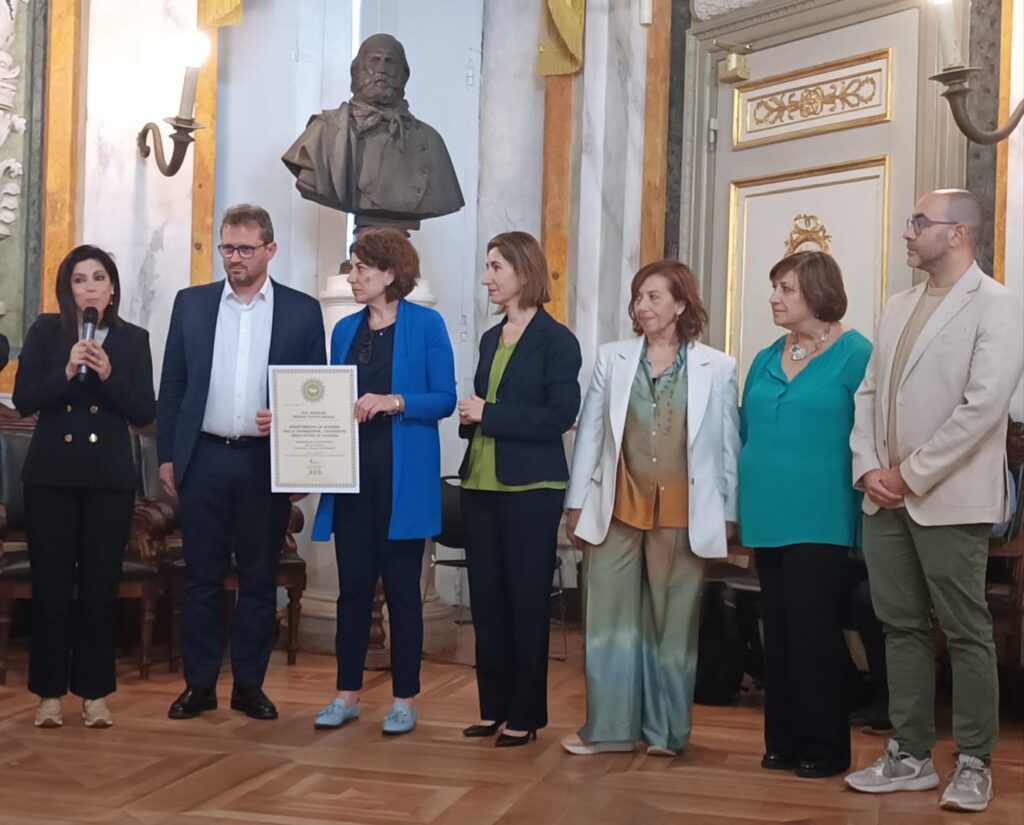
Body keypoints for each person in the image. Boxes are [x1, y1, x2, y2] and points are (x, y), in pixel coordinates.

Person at [845, 190, 1024, 813]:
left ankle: (973, 762)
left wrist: (909, 474)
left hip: (949, 496)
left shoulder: (997, 304)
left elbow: (983, 407)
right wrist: (869, 468)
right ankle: (910, 755)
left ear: (957, 233)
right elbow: (869, 394)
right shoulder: (898, 305)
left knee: (966, 629)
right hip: (884, 496)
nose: (907, 231)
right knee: (899, 626)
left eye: (919, 222)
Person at [561, 260, 739, 757]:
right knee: (608, 621)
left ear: (681, 304)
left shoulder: (718, 367)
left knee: (673, 624)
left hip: (685, 511)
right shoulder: (612, 358)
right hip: (616, 506)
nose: (641, 306)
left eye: (653, 296)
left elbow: (727, 446)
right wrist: (576, 504)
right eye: (638, 297)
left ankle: (666, 733)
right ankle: (610, 730)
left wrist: (729, 511)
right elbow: (590, 434)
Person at [158, 204, 326, 721]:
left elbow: (313, 393)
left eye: (246, 249)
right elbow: (173, 385)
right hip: (204, 457)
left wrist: (302, 461)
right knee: (202, 578)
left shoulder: (301, 311)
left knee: (258, 578)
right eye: (227, 248)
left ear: (270, 250)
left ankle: (249, 686)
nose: (235, 258)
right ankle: (199, 686)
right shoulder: (192, 304)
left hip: (265, 463)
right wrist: (167, 456)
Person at [309, 229, 456, 736]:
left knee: (402, 594)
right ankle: (346, 694)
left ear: (390, 273)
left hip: (402, 481)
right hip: (350, 478)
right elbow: (331, 397)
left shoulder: (427, 325)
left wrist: (395, 402)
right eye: (352, 268)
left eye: (360, 269)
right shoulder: (344, 329)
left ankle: (404, 699)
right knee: (352, 591)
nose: (351, 277)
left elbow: (445, 399)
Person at [737, 251, 872, 777]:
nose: (774, 298)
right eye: (774, 287)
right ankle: (783, 739)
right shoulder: (766, 356)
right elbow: (746, 429)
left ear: (818, 293)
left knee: (813, 629)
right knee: (779, 628)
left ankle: (824, 746)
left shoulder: (856, 353)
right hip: (767, 511)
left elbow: (871, 431)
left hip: (822, 511)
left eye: (786, 289)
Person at [13, 245, 155, 728]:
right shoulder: (45, 332)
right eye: (79, 279)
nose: (89, 287)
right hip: (51, 475)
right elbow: (23, 398)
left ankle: (95, 695)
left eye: (98, 278)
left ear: (112, 288)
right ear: (67, 288)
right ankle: (49, 695)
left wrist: (109, 375)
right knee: (51, 587)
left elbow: (143, 410)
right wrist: (67, 370)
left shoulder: (133, 340)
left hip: (107, 479)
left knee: (99, 587)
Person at [457, 231, 581, 747]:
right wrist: (473, 417)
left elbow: (560, 415)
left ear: (524, 273)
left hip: (532, 487)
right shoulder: (491, 338)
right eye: (487, 266)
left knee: (525, 602)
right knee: (486, 601)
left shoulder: (558, 341)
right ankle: (494, 708)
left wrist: (489, 414)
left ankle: (525, 716)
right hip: (480, 482)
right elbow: (488, 404)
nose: (487, 277)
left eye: (496, 267)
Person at [282, 33, 464, 230]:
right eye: (374, 60)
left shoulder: (430, 140)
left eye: (390, 62)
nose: (382, 69)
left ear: (404, 75)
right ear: (356, 71)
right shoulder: (324, 131)